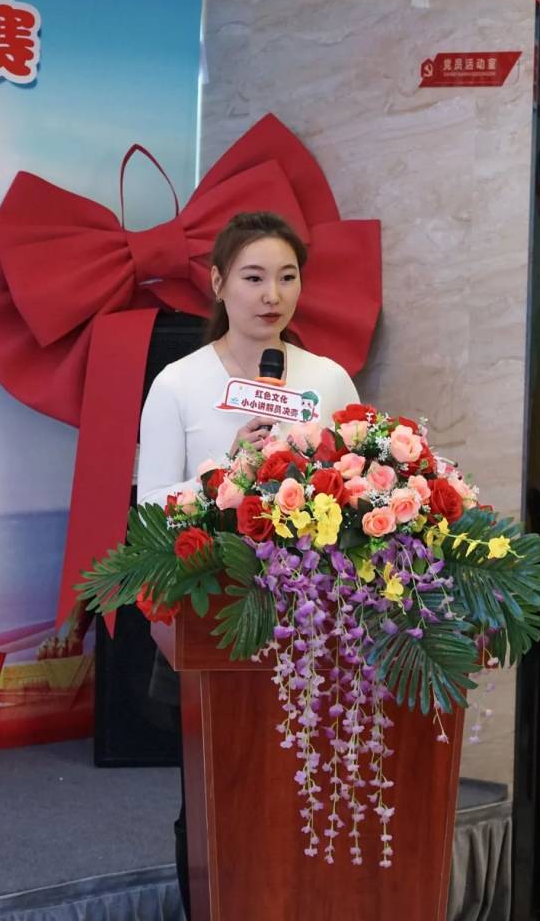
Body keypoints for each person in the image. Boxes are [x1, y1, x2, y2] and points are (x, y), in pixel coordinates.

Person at [136, 210, 360, 919]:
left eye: (287, 278)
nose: (272, 295)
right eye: (254, 277)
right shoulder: (178, 383)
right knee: (215, 795)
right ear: (217, 283)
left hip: (313, 621)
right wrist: (229, 468)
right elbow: (150, 507)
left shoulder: (328, 379)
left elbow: (359, 484)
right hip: (215, 610)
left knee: (301, 793)